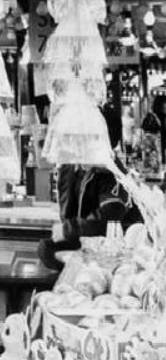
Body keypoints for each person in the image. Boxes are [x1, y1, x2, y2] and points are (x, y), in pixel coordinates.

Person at [38, 106, 142, 270]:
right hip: (84, 244)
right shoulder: (71, 167)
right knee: (46, 248)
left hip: (114, 251)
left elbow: (110, 216)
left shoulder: (112, 171)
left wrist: (69, 230)